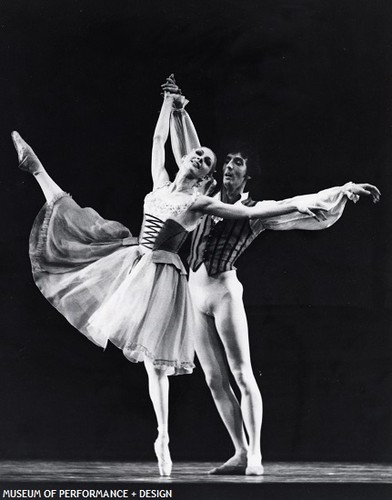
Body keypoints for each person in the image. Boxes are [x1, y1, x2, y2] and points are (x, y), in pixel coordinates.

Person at [12, 81, 329, 476]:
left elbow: (252, 215)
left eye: (206, 161)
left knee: (156, 364)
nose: (198, 156)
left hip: (163, 274)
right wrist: (167, 102)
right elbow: (159, 138)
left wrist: (316, 199)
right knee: (74, 220)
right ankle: (37, 169)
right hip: (131, 261)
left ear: (204, 176)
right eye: (198, 153)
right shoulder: (160, 184)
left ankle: (163, 437)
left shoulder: (197, 201)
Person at [162, 75, 381, 475]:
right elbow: (188, 155)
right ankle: (239, 451)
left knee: (243, 373)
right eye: (227, 161)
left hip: (225, 292)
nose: (229, 166)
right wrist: (177, 110)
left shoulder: (256, 213)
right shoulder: (204, 196)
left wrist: (343, 189)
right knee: (213, 380)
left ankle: (257, 455)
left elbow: (298, 203)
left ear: (247, 177)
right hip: (193, 293)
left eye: (237, 164)